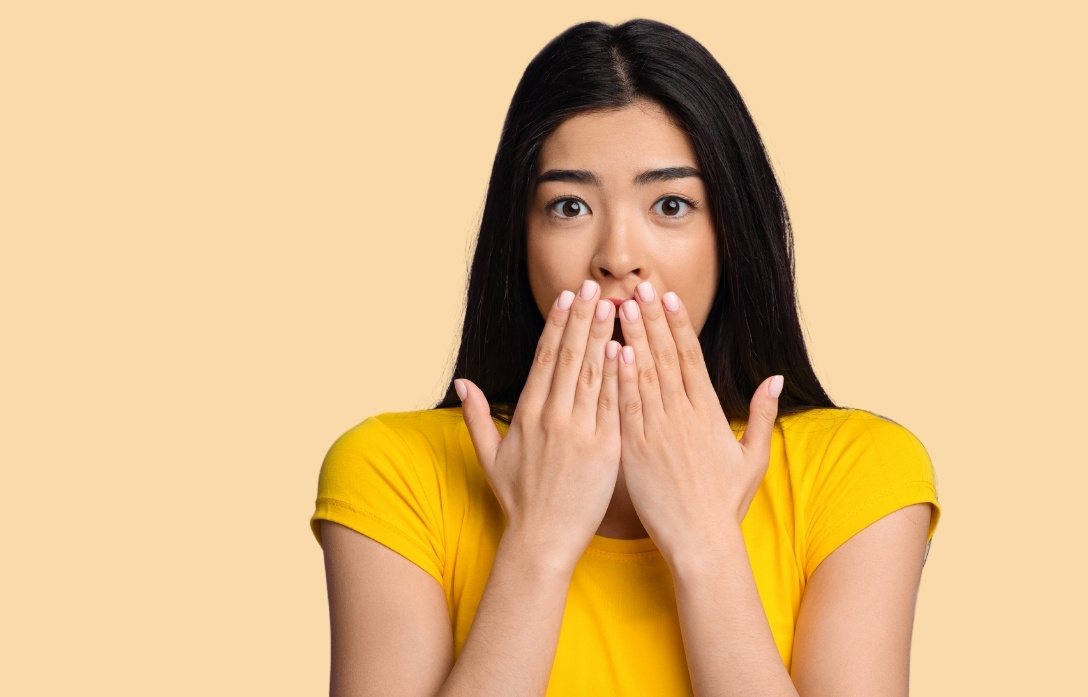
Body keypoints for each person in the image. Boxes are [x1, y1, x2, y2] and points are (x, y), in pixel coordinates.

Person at [311, 18, 940, 697]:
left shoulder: (860, 472)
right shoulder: (394, 470)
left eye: (670, 204)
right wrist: (539, 543)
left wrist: (704, 543)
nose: (617, 257)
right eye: (569, 205)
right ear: (518, 235)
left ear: (732, 232)